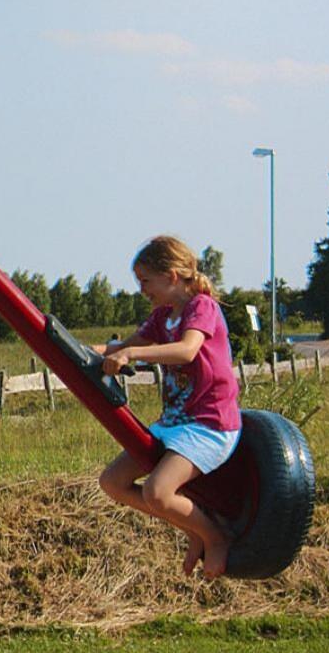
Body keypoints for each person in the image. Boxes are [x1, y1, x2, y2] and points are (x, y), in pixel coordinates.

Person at [96, 235, 243, 579]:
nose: (141, 290)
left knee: (157, 492)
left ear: (172, 276)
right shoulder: (162, 316)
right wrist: (80, 350)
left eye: (145, 281)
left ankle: (215, 536)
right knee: (113, 482)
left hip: (209, 424)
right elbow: (122, 345)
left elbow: (186, 350)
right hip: (175, 423)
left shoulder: (201, 307)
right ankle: (193, 527)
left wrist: (133, 354)